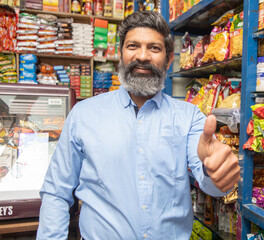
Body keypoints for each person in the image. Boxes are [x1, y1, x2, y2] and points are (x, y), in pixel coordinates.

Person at [36, 11, 240, 240]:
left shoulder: (189, 117)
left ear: (169, 58)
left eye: (154, 48)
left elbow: (211, 184)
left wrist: (214, 172)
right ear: (120, 54)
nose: (142, 56)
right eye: (133, 46)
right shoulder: (84, 115)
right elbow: (56, 192)